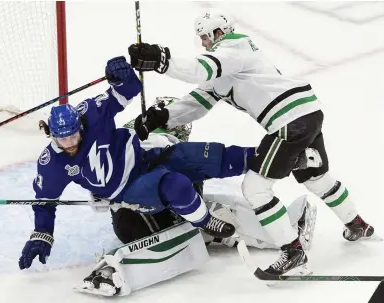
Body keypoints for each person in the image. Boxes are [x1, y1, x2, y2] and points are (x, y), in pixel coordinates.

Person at [127, 12, 376, 276]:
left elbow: (201, 68)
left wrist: (161, 59)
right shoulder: (228, 63)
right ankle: (357, 223)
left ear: (218, 33)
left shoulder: (234, 48)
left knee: (255, 188)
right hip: (307, 113)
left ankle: (292, 252)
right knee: (316, 179)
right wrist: (162, 116)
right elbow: (198, 102)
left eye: (205, 37)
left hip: (289, 122)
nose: (203, 43)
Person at [18, 56, 258, 272]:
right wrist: (42, 233)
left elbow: (130, 88)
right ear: (52, 135)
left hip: (147, 156)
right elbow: (44, 202)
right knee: (176, 184)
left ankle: (271, 156)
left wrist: (121, 75)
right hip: (130, 189)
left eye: (73, 135)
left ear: (80, 125)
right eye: (62, 139)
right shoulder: (51, 164)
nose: (69, 143)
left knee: (211, 156)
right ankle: (206, 222)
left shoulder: (91, 112)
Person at [75, 100, 317, 297]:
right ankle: (111, 272)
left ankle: (111, 272)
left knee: (206, 211)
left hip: (134, 219)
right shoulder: (162, 144)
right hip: (142, 222)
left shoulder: (128, 144)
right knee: (206, 218)